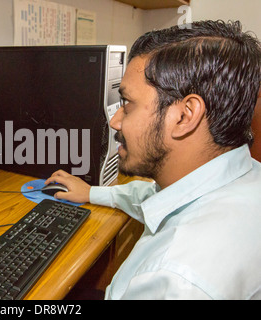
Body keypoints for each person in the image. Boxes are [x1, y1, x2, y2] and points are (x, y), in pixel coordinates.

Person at [45, 20, 261, 300]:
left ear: (184, 116)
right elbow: (155, 195)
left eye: (127, 104)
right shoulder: (245, 177)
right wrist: (91, 192)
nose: (115, 120)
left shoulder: (175, 281)